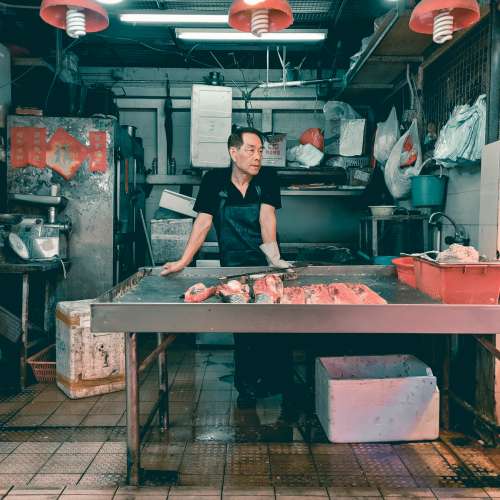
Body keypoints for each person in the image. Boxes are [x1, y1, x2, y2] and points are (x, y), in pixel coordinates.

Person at [161, 127, 292, 408]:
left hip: (265, 264)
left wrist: (273, 259)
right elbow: (203, 223)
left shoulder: (267, 178)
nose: (257, 157)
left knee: (275, 326)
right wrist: (183, 261)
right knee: (243, 330)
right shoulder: (213, 181)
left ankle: (283, 388)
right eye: (251, 150)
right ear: (234, 152)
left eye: (260, 151)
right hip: (233, 267)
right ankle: (247, 390)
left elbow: (267, 218)